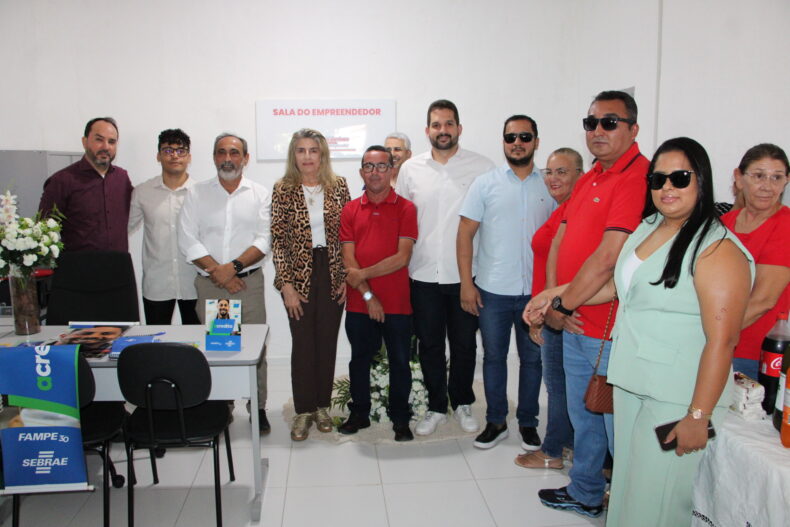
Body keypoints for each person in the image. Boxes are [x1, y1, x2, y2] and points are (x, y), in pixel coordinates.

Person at [532, 137, 753, 525]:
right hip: (632, 380)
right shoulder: (649, 226)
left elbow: (723, 341)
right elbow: (618, 286)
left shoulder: (717, 249)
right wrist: (557, 298)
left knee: (659, 503)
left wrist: (698, 416)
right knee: (629, 494)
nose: (667, 187)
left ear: (701, 181)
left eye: (680, 178)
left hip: (676, 397)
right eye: (658, 178)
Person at [526, 90, 649, 517]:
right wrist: (550, 297)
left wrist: (560, 304)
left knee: (617, 429)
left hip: (610, 329)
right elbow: (564, 238)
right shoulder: (594, 175)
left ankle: (630, 511)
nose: (598, 130)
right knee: (585, 418)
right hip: (578, 319)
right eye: (591, 122)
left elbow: (609, 259)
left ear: (633, 128)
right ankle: (586, 493)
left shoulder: (638, 177)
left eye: (609, 122)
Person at [396, 99, 495, 436]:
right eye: (436, 125)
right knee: (430, 344)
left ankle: (463, 401)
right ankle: (437, 406)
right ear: (427, 131)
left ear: (459, 128)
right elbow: (402, 221)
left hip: (465, 275)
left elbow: (490, 223)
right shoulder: (411, 170)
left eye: (449, 124)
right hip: (422, 273)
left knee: (465, 343)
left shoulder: (482, 168)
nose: (443, 130)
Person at [457, 115, 554, 450]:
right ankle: (496, 420)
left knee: (532, 360)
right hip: (493, 290)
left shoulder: (550, 185)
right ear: (503, 142)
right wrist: (466, 285)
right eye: (510, 137)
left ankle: (528, 422)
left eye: (524, 136)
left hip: (536, 294)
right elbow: (465, 234)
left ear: (536, 142)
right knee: (494, 357)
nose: (517, 142)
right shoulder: (485, 184)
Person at [178, 132, 272, 432]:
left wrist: (233, 267)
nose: (227, 158)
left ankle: (257, 408)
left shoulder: (260, 194)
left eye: (234, 152)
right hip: (213, 287)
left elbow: (265, 237)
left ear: (245, 158)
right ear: (214, 157)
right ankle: (222, 406)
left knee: (255, 350)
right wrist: (219, 273)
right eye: (221, 152)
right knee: (221, 348)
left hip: (248, 285)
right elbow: (187, 238)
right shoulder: (197, 193)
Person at [271, 128, 350, 441]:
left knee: (326, 341)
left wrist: (346, 276)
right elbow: (277, 240)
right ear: (294, 155)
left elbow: (349, 235)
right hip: (298, 275)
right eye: (301, 150)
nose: (307, 156)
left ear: (322, 154)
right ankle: (303, 410)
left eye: (313, 150)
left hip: (331, 271)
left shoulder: (339, 186)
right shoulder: (282, 188)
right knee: (303, 342)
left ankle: (322, 407)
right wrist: (285, 285)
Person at [338, 146, 418, 441]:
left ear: (392, 170)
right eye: (369, 167)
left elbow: (402, 258)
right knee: (359, 359)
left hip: (397, 303)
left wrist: (363, 275)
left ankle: (400, 418)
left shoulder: (406, 208)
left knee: (400, 361)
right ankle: (359, 413)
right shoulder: (349, 209)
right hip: (360, 303)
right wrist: (369, 296)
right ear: (361, 172)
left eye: (382, 166)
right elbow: (349, 259)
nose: (375, 172)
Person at [516, 147, 583, 469]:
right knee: (563, 385)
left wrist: (554, 309)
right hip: (552, 307)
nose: (553, 178)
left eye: (562, 172)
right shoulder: (560, 210)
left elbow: (575, 269)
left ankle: (553, 451)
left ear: (580, 176)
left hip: (562, 312)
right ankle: (567, 444)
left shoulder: (576, 212)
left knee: (558, 386)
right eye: (550, 172)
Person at [721, 143, 790, 379]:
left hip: (756, 356)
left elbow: (763, 300)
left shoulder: (785, 225)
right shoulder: (723, 224)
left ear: (786, 182)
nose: (767, 186)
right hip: (716, 346)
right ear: (739, 178)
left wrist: (710, 333)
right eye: (759, 176)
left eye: (776, 178)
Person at [128, 128, 199, 325]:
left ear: (189, 156)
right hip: (157, 283)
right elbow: (124, 227)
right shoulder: (143, 192)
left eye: (181, 150)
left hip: (194, 282)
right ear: (158, 156)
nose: (174, 155)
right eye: (168, 150)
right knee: (156, 343)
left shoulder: (200, 193)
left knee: (199, 344)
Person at [39, 117, 133, 252]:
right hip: (79, 268)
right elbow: (44, 229)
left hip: (118, 266)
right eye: (99, 139)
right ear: (85, 142)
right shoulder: (62, 181)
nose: (106, 146)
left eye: (111, 142)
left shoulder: (122, 178)